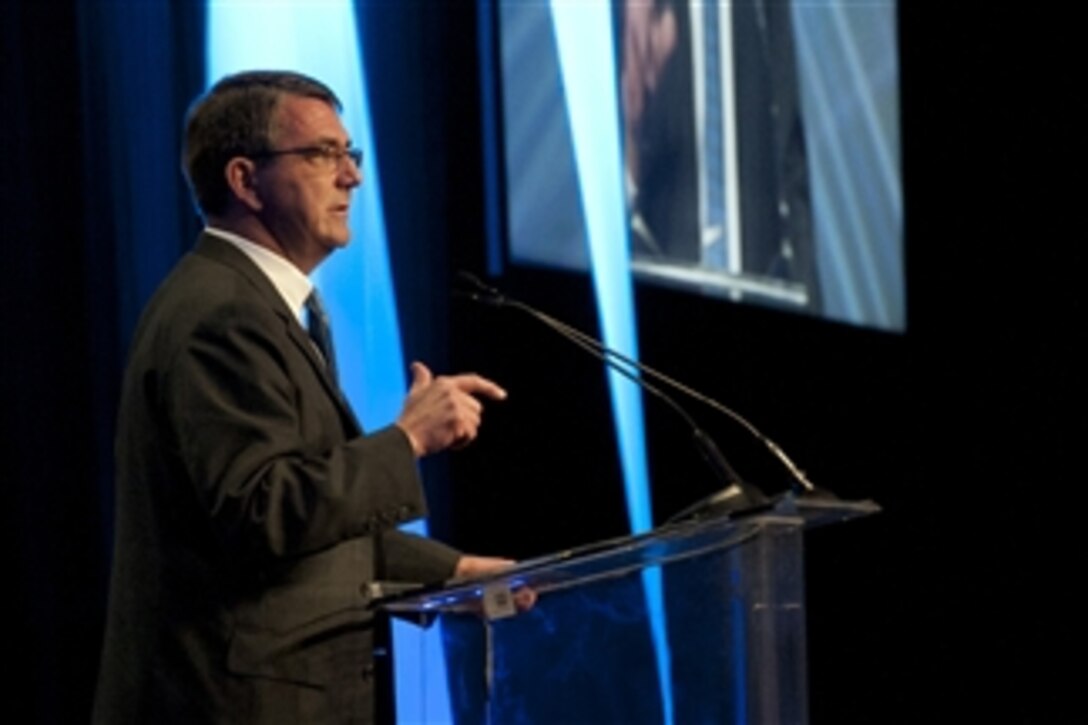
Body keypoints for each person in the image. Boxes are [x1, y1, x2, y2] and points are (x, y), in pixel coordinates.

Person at [94, 70, 517, 724]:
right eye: (323, 154)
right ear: (244, 179)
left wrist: (455, 569)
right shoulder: (221, 315)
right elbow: (264, 510)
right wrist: (407, 438)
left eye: (350, 153)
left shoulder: (256, 306)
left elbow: (313, 532)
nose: (352, 176)